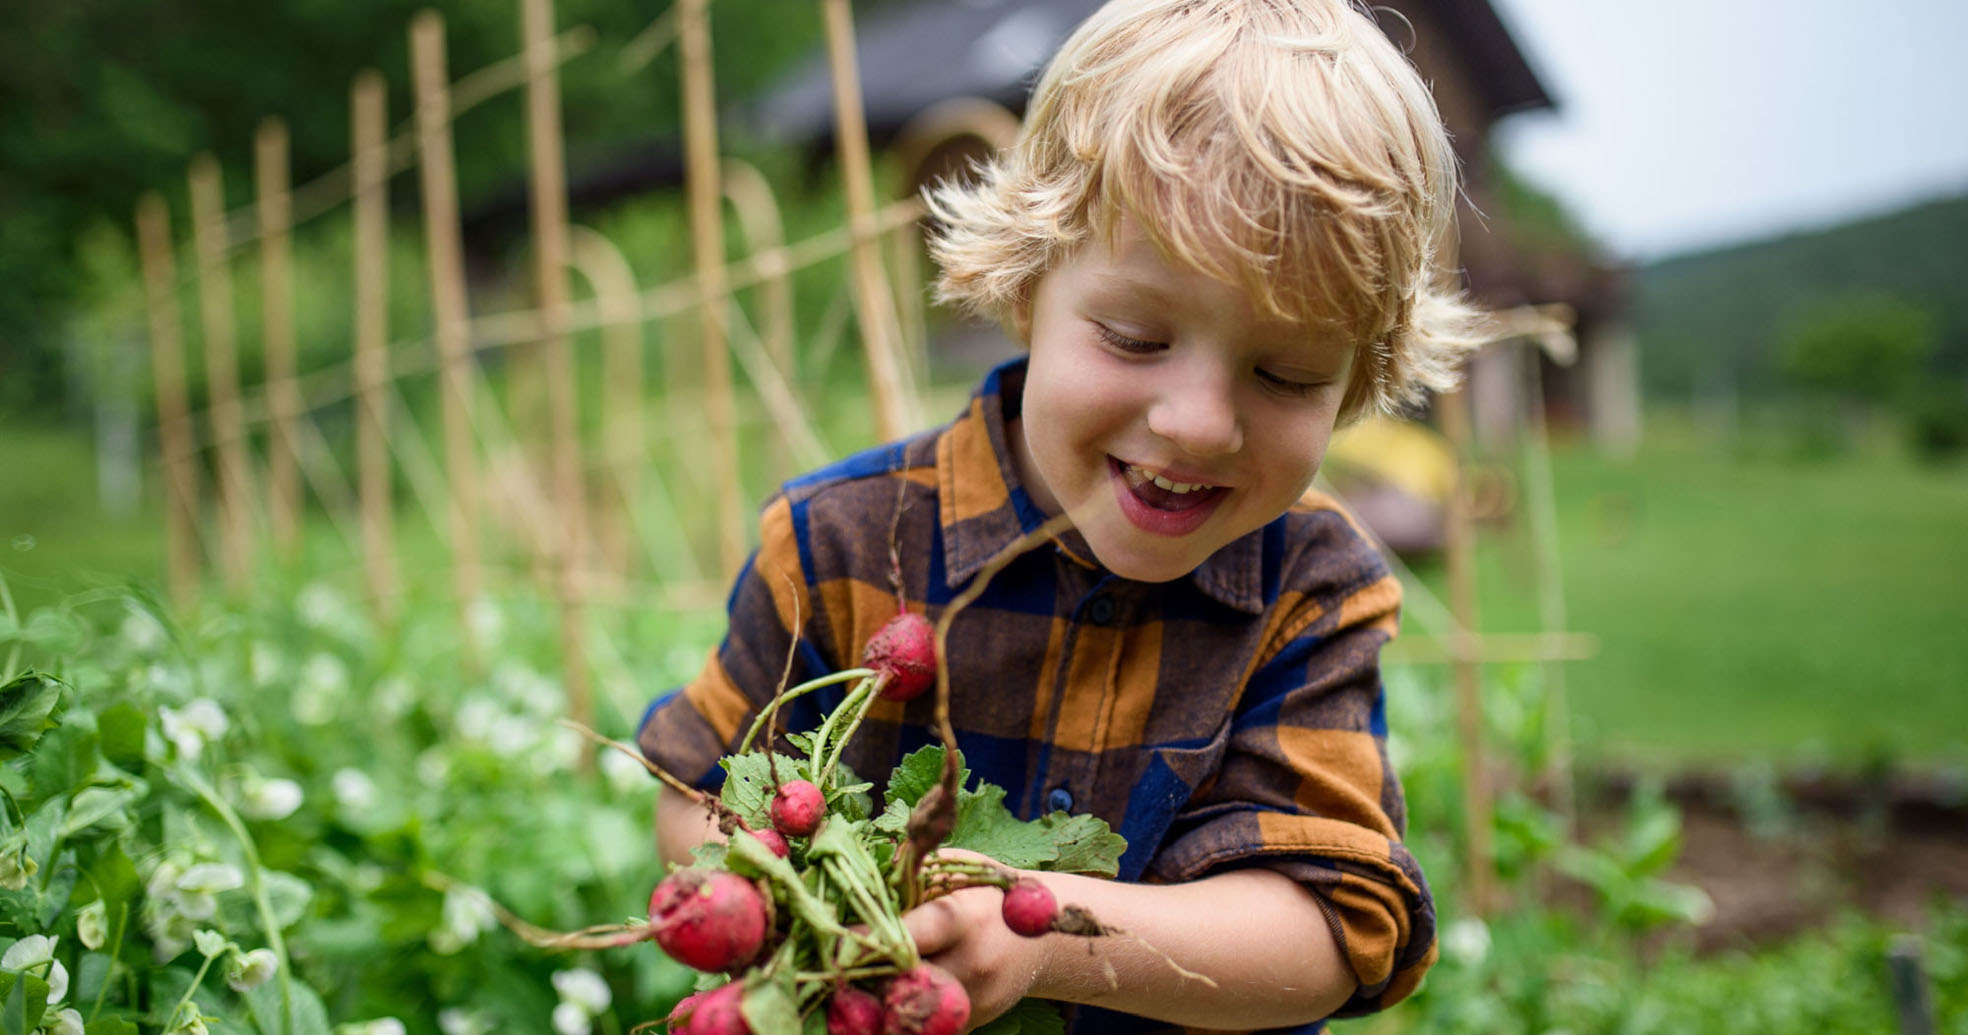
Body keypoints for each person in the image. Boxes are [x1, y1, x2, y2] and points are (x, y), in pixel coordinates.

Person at [637, 0, 1486, 1029]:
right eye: (1135, 337)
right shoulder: (838, 545)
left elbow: (1325, 933)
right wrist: (799, 906)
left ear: (1357, 386)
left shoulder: (1309, 593)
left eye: (1286, 375)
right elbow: (696, 793)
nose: (1199, 423)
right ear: (1029, 285)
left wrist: (1042, 932)